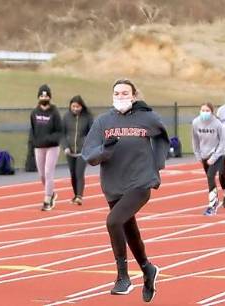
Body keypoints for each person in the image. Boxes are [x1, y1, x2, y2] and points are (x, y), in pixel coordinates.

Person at [82, 79, 168, 302]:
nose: (121, 97)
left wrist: (157, 164)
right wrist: (104, 149)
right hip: (113, 185)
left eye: (125, 93)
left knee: (113, 221)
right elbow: (88, 155)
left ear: (133, 95)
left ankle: (123, 277)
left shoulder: (146, 118)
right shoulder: (103, 121)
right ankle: (148, 269)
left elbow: (162, 135)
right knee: (129, 229)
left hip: (140, 182)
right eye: (117, 93)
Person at [29, 84, 63, 211]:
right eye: (42, 95)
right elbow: (32, 129)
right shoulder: (34, 112)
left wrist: (50, 138)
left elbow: (60, 131)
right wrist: (33, 142)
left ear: (50, 97)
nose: (44, 97)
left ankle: (47, 199)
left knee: (48, 173)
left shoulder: (54, 112)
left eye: (46, 95)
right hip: (39, 147)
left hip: (52, 147)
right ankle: (52, 192)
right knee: (42, 175)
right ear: (38, 97)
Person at [191, 103, 225, 216]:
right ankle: (215, 200)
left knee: (211, 176)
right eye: (202, 110)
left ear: (211, 112)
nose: (204, 112)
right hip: (204, 154)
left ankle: (212, 206)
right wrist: (198, 155)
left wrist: (214, 157)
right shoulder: (196, 122)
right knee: (210, 179)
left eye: (207, 110)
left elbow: (222, 142)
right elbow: (195, 140)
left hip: (216, 154)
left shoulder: (217, 124)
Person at [61, 95, 93, 205]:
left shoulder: (87, 117)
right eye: (73, 106)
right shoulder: (66, 117)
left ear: (82, 106)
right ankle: (75, 195)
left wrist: (87, 145)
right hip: (70, 151)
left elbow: (92, 133)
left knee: (79, 173)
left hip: (82, 151)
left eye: (77, 107)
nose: (75, 109)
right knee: (73, 174)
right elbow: (62, 134)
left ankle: (79, 196)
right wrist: (65, 147)